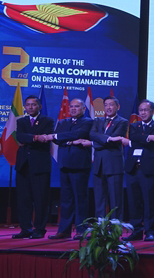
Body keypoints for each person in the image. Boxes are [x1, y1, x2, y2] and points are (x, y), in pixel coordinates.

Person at [121, 100, 154, 242]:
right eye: (141, 110)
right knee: (133, 201)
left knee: (149, 202)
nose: (143, 113)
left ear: (152, 111)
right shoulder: (133, 125)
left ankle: (150, 231)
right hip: (132, 169)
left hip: (148, 169)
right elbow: (134, 139)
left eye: (146, 110)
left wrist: (146, 139)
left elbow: (144, 143)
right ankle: (136, 231)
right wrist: (149, 138)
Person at [47, 98, 93, 240]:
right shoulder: (62, 122)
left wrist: (64, 139)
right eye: (71, 106)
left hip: (79, 164)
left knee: (80, 198)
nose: (73, 109)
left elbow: (78, 134)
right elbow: (56, 139)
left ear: (83, 109)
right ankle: (64, 230)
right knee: (66, 199)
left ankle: (81, 230)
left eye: (77, 106)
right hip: (64, 164)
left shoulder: (88, 122)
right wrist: (70, 141)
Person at [13, 95, 55, 239]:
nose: (30, 107)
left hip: (40, 166)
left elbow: (47, 137)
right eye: (28, 105)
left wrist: (30, 138)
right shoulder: (22, 121)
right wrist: (36, 137)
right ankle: (25, 229)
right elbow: (20, 136)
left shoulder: (47, 120)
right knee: (23, 199)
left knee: (40, 199)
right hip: (23, 165)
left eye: (33, 105)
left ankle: (39, 229)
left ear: (39, 107)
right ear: (25, 107)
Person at [89, 96, 128, 219]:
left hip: (114, 165)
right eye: (106, 105)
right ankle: (100, 228)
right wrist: (108, 139)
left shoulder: (122, 121)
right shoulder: (97, 120)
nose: (108, 107)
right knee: (99, 199)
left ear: (118, 106)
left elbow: (116, 138)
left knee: (115, 199)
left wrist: (98, 141)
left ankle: (115, 229)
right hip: (99, 165)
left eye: (111, 105)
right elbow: (92, 134)